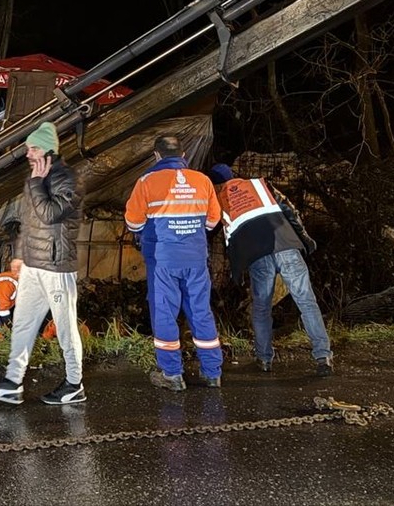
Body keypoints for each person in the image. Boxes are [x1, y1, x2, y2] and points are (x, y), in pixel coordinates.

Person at [0, 121, 86, 407]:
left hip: (57, 267)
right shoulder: (33, 180)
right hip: (33, 267)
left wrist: (37, 185)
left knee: (65, 327)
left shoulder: (68, 179)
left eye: (33, 148)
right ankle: (13, 382)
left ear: (49, 151)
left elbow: (50, 215)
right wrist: (21, 254)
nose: (27, 154)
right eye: (27, 148)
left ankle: (74, 384)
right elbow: (30, 222)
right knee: (23, 324)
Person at [208, 164, 333, 376]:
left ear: (215, 185)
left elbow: (231, 241)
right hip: (287, 246)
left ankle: (264, 359)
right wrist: (304, 240)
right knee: (306, 301)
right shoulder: (259, 185)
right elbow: (289, 210)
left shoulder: (219, 201)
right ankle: (323, 357)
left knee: (262, 308)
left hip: (259, 256)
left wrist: (236, 274)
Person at [125, 135, 223, 391]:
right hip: (196, 258)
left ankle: (172, 374)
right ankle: (212, 373)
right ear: (183, 155)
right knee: (201, 311)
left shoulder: (146, 182)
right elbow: (213, 221)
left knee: (165, 313)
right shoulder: (203, 181)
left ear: (156, 156)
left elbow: (133, 223)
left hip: (163, 260)